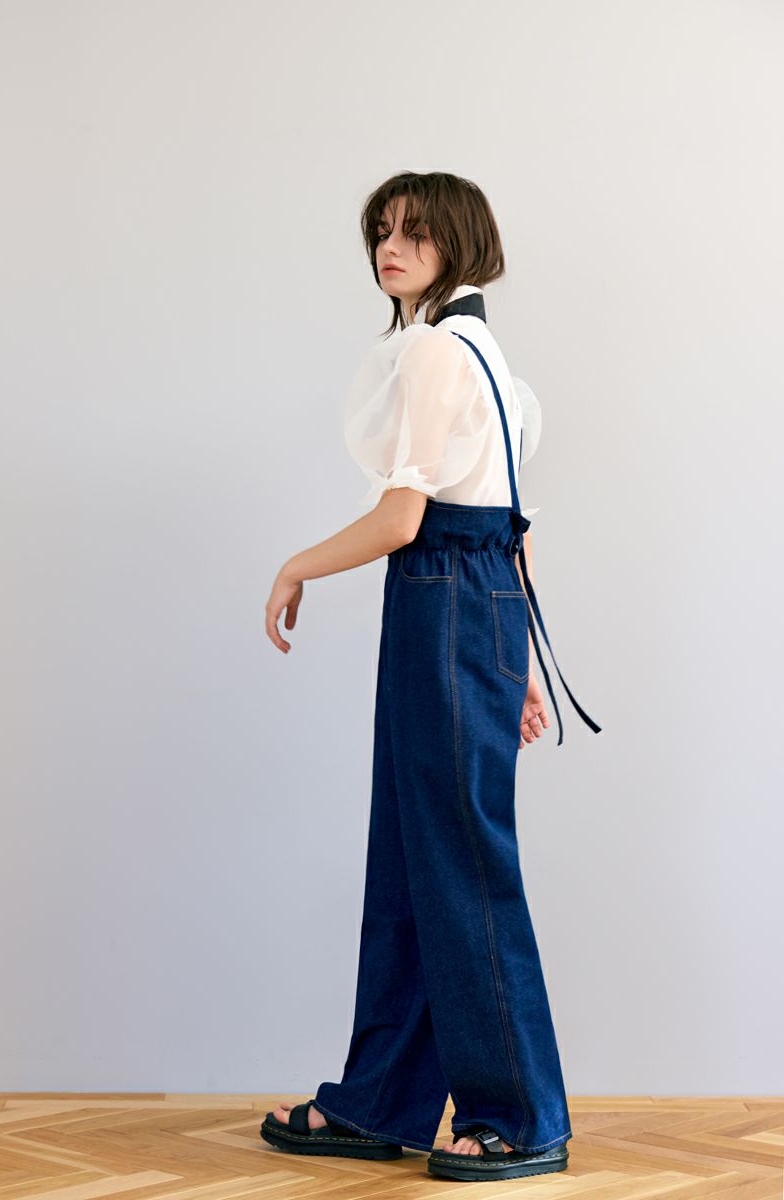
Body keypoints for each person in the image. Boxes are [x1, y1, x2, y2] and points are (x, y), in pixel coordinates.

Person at [260, 171, 601, 1183]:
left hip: (442, 595)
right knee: (416, 855)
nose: (390, 246)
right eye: (381, 230)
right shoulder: (484, 354)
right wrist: (517, 657)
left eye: (415, 231)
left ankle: (522, 1118)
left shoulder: (436, 352)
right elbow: (514, 526)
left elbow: (403, 518)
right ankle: (383, 1101)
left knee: (456, 861)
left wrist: (295, 565)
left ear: (460, 241)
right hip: (473, 601)